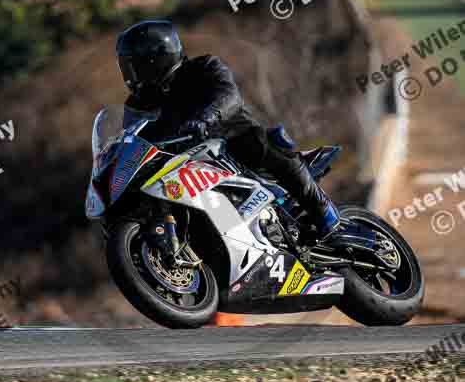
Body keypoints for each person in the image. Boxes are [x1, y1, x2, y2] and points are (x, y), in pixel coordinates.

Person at [116, 19, 340, 239]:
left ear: (156, 60)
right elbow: (132, 136)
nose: (130, 75)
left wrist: (206, 119)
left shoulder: (203, 68)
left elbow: (229, 96)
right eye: (126, 67)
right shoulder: (140, 104)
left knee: (260, 145)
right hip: (186, 166)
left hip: (232, 141)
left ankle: (323, 212)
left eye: (134, 66)